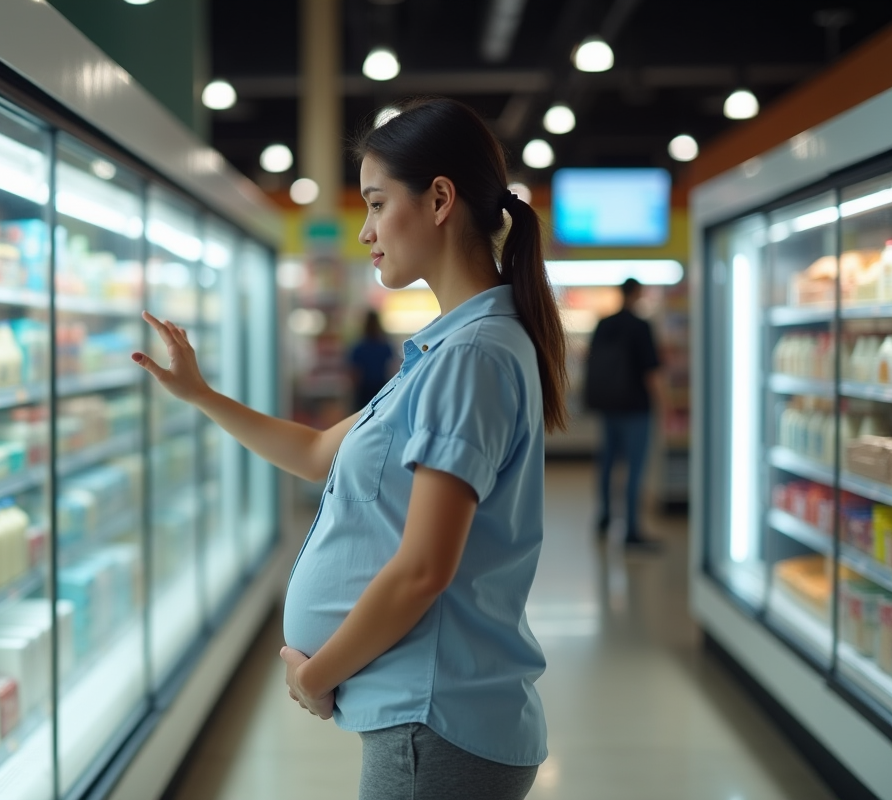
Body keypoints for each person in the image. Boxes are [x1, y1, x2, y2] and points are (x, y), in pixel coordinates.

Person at [131, 97, 565, 800]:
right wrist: (203, 396)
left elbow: (424, 568)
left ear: (439, 201)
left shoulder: (472, 355)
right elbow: (315, 454)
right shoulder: (452, 348)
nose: (365, 231)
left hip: (435, 720)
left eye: (374, 203)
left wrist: (318, 672)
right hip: (433, 716)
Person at [584, 278, 663, 549]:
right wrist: (662, 403)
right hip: (636, 407)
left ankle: (605, 517)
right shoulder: (641, 327)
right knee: (634, 468)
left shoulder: (603, 325)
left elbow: (590, 361)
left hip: (609, 405)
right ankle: (631, 529)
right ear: (637, 294)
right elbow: (650, 372)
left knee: (607, 463)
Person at [349, 309, 396, 411]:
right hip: (381, 386)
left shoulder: (359, 347)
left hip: (364, 388)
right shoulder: (385, 346)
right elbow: (392, 367)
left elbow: (354, 372)